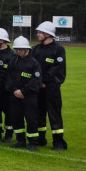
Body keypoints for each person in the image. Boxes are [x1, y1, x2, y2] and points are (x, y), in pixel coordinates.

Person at [32, 21, 68, 150]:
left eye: (40, 32)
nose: (37, 34)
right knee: (38, 114)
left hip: (51, 88)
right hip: (38, 87)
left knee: (54, 115)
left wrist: (44, 81)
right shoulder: (36, 49)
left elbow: (57, 69)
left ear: (48, 34)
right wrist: (38, 82)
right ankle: (40, 139)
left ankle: (58, 142)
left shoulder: (58, 50)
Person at [8, 36, 42, 150]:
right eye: (16, 49)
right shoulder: (13, 61)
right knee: (16, 118)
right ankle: (20, 140)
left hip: (29, 96)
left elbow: (36, 80)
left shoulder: (34, 63)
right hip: (14, 95)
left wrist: (23, 91)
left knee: (31, 119)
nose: (18, 51)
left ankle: (33, 142)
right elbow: (9, 77)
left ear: (26, 49)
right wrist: (14, 90)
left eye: (20, 49)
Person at [0, 28, 15, 142]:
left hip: (8, 90)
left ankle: (9, 134)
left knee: (9, 113)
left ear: (2, 41)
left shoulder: (13, 56)